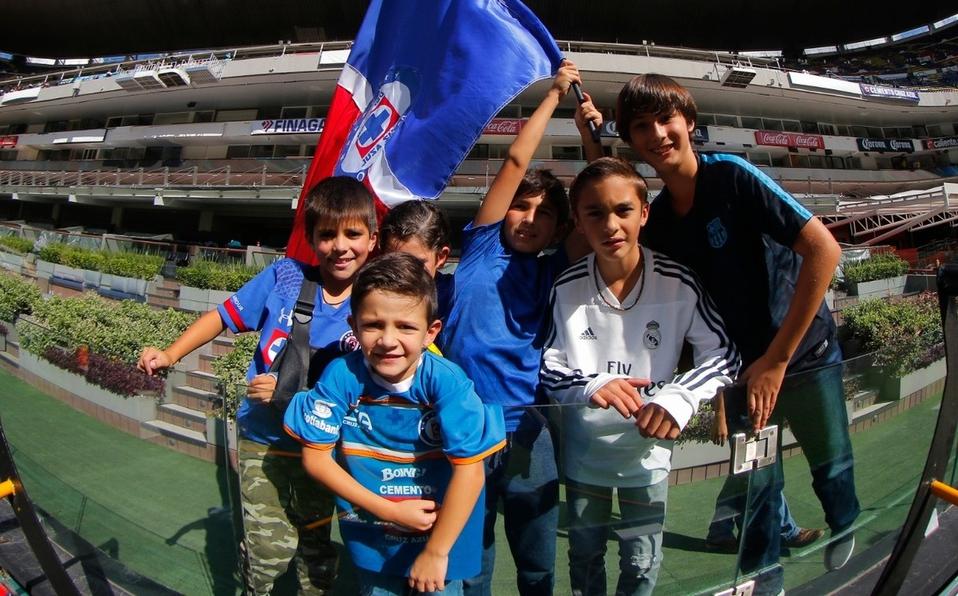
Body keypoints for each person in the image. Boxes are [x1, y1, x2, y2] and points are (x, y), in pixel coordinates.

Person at [576, 74, 860, 594]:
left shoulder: (733, 175)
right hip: (745, 375)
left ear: (689, 122)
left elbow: (825, 251)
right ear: (632, 140)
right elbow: (690, 315)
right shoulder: (657, 221)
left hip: (805, 355)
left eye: (666, 119)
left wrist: (777, 359)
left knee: (832, 468)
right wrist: (723, 391)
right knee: (757, 487)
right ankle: (762, 580)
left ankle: (848, 529)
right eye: (641, 126)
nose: (657, 133)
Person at [138, 176, 379, 595]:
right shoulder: (285, 278)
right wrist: (170, 354)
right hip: (263, 440)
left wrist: (288, 395)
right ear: (310, 238)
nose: (340, 246)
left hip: (323, 450)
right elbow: (222, 316)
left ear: (372, 240)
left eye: (353, 233)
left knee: (316, 553)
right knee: (269, 553)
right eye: (327, 234)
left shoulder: (376, 300)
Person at [540, 157, 740, 595]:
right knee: (585, 556)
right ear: (579, 221)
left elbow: (723, 353)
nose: (610, 224)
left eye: (623, 210)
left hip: (647, 459)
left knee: (642, 562)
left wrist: (679, 397)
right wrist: (592, 385)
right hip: (584, 457)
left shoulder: (679, 282)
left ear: (644, 213)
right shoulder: (565, 286)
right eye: (595, 213)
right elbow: (549, 365)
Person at [440, 60, 588, 596]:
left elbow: (604, 204)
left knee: (537, 562)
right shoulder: (480, 247)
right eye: (521, 206)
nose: (529, 218)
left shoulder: (557, 269)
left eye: (544, 212)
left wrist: (588, 127)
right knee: (471, 561)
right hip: (463, 428)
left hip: (530, 431)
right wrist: (554, 95)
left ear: (560, 226)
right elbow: (516, 158)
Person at [283, 252, 507, 595]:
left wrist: (435, 551)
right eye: (373, 325)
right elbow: (316, 459)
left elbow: (470, 470)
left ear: (430, 332)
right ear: (353, 325)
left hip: (440, 542)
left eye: (405, 326)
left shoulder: (447, 381)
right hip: (375, 541)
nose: (388, 340)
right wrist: (390, 512)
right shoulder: (342, 375)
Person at [705, 392, 825, 553]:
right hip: (739, 411)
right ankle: (785, 530)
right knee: (756, 473)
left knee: (747, 474)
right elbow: (719, 374)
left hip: (756, 410)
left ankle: (720, 532)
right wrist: (720, 415)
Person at [379, 199, 454, 324]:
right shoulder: (370, 295)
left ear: (441, 257)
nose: (404, 273)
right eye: (394, 262)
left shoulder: (455, 298)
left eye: (417, 264)